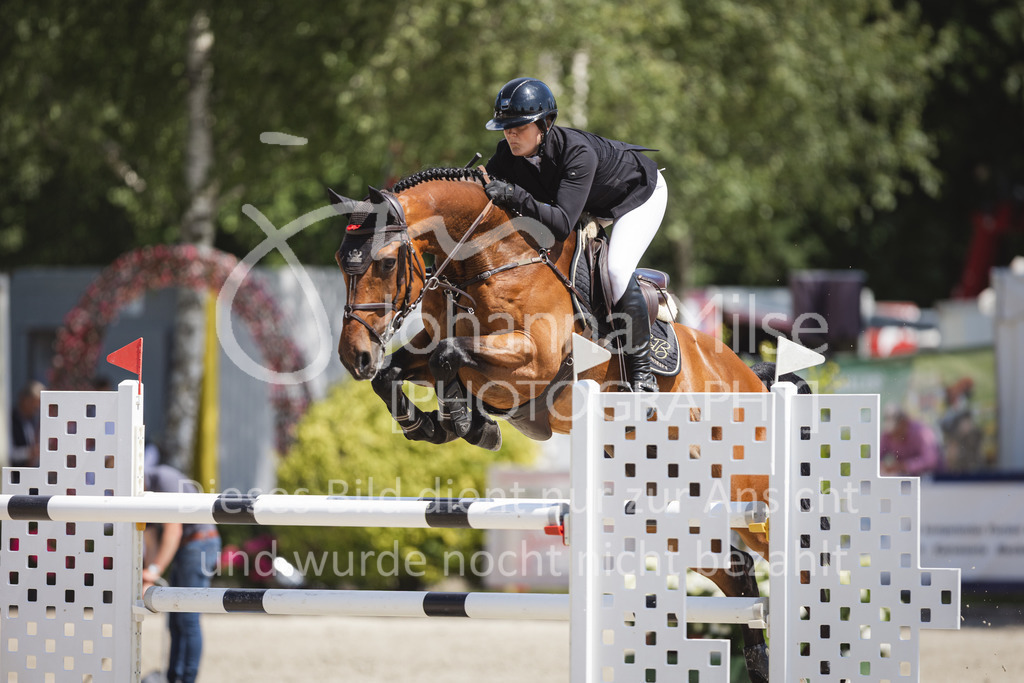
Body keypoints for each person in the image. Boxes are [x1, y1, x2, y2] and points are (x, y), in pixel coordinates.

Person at [479, 77, 668, 393]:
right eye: (506, 127)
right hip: (588, 201)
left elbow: (562, 223)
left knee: (617, 270)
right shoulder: (505, 155)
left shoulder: (577, 152)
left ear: (545, 124)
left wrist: (514, 195)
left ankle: (642, 374)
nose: (510, 133)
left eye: (519, 126)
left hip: (637, 197)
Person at [143, 444, 220, 683]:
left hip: (198, 544)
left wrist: (152, 572)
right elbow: (150, 538)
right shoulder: (146, 489)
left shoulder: (163, 479)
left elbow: (172, 532)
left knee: (188, 619)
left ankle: (187, 678)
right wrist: (148, 572)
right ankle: (174, 676)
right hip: (185, 547)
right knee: (174, 619)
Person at [880, 406, 942, 476]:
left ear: (904, 423)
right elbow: (875, 457)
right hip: (905, 479)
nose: (894, 435)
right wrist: (883, 467)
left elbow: (930, 461)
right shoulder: (887, 435)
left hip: (933, 479)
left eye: (896, 430)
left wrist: (905, 466)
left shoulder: (922, 432)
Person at [9, 380, 44, 467]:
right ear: (25, 399)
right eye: (34, 402)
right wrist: (29, 453)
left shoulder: (33, 420)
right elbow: (7, 452)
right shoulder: (10, 420)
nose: (37, 407)